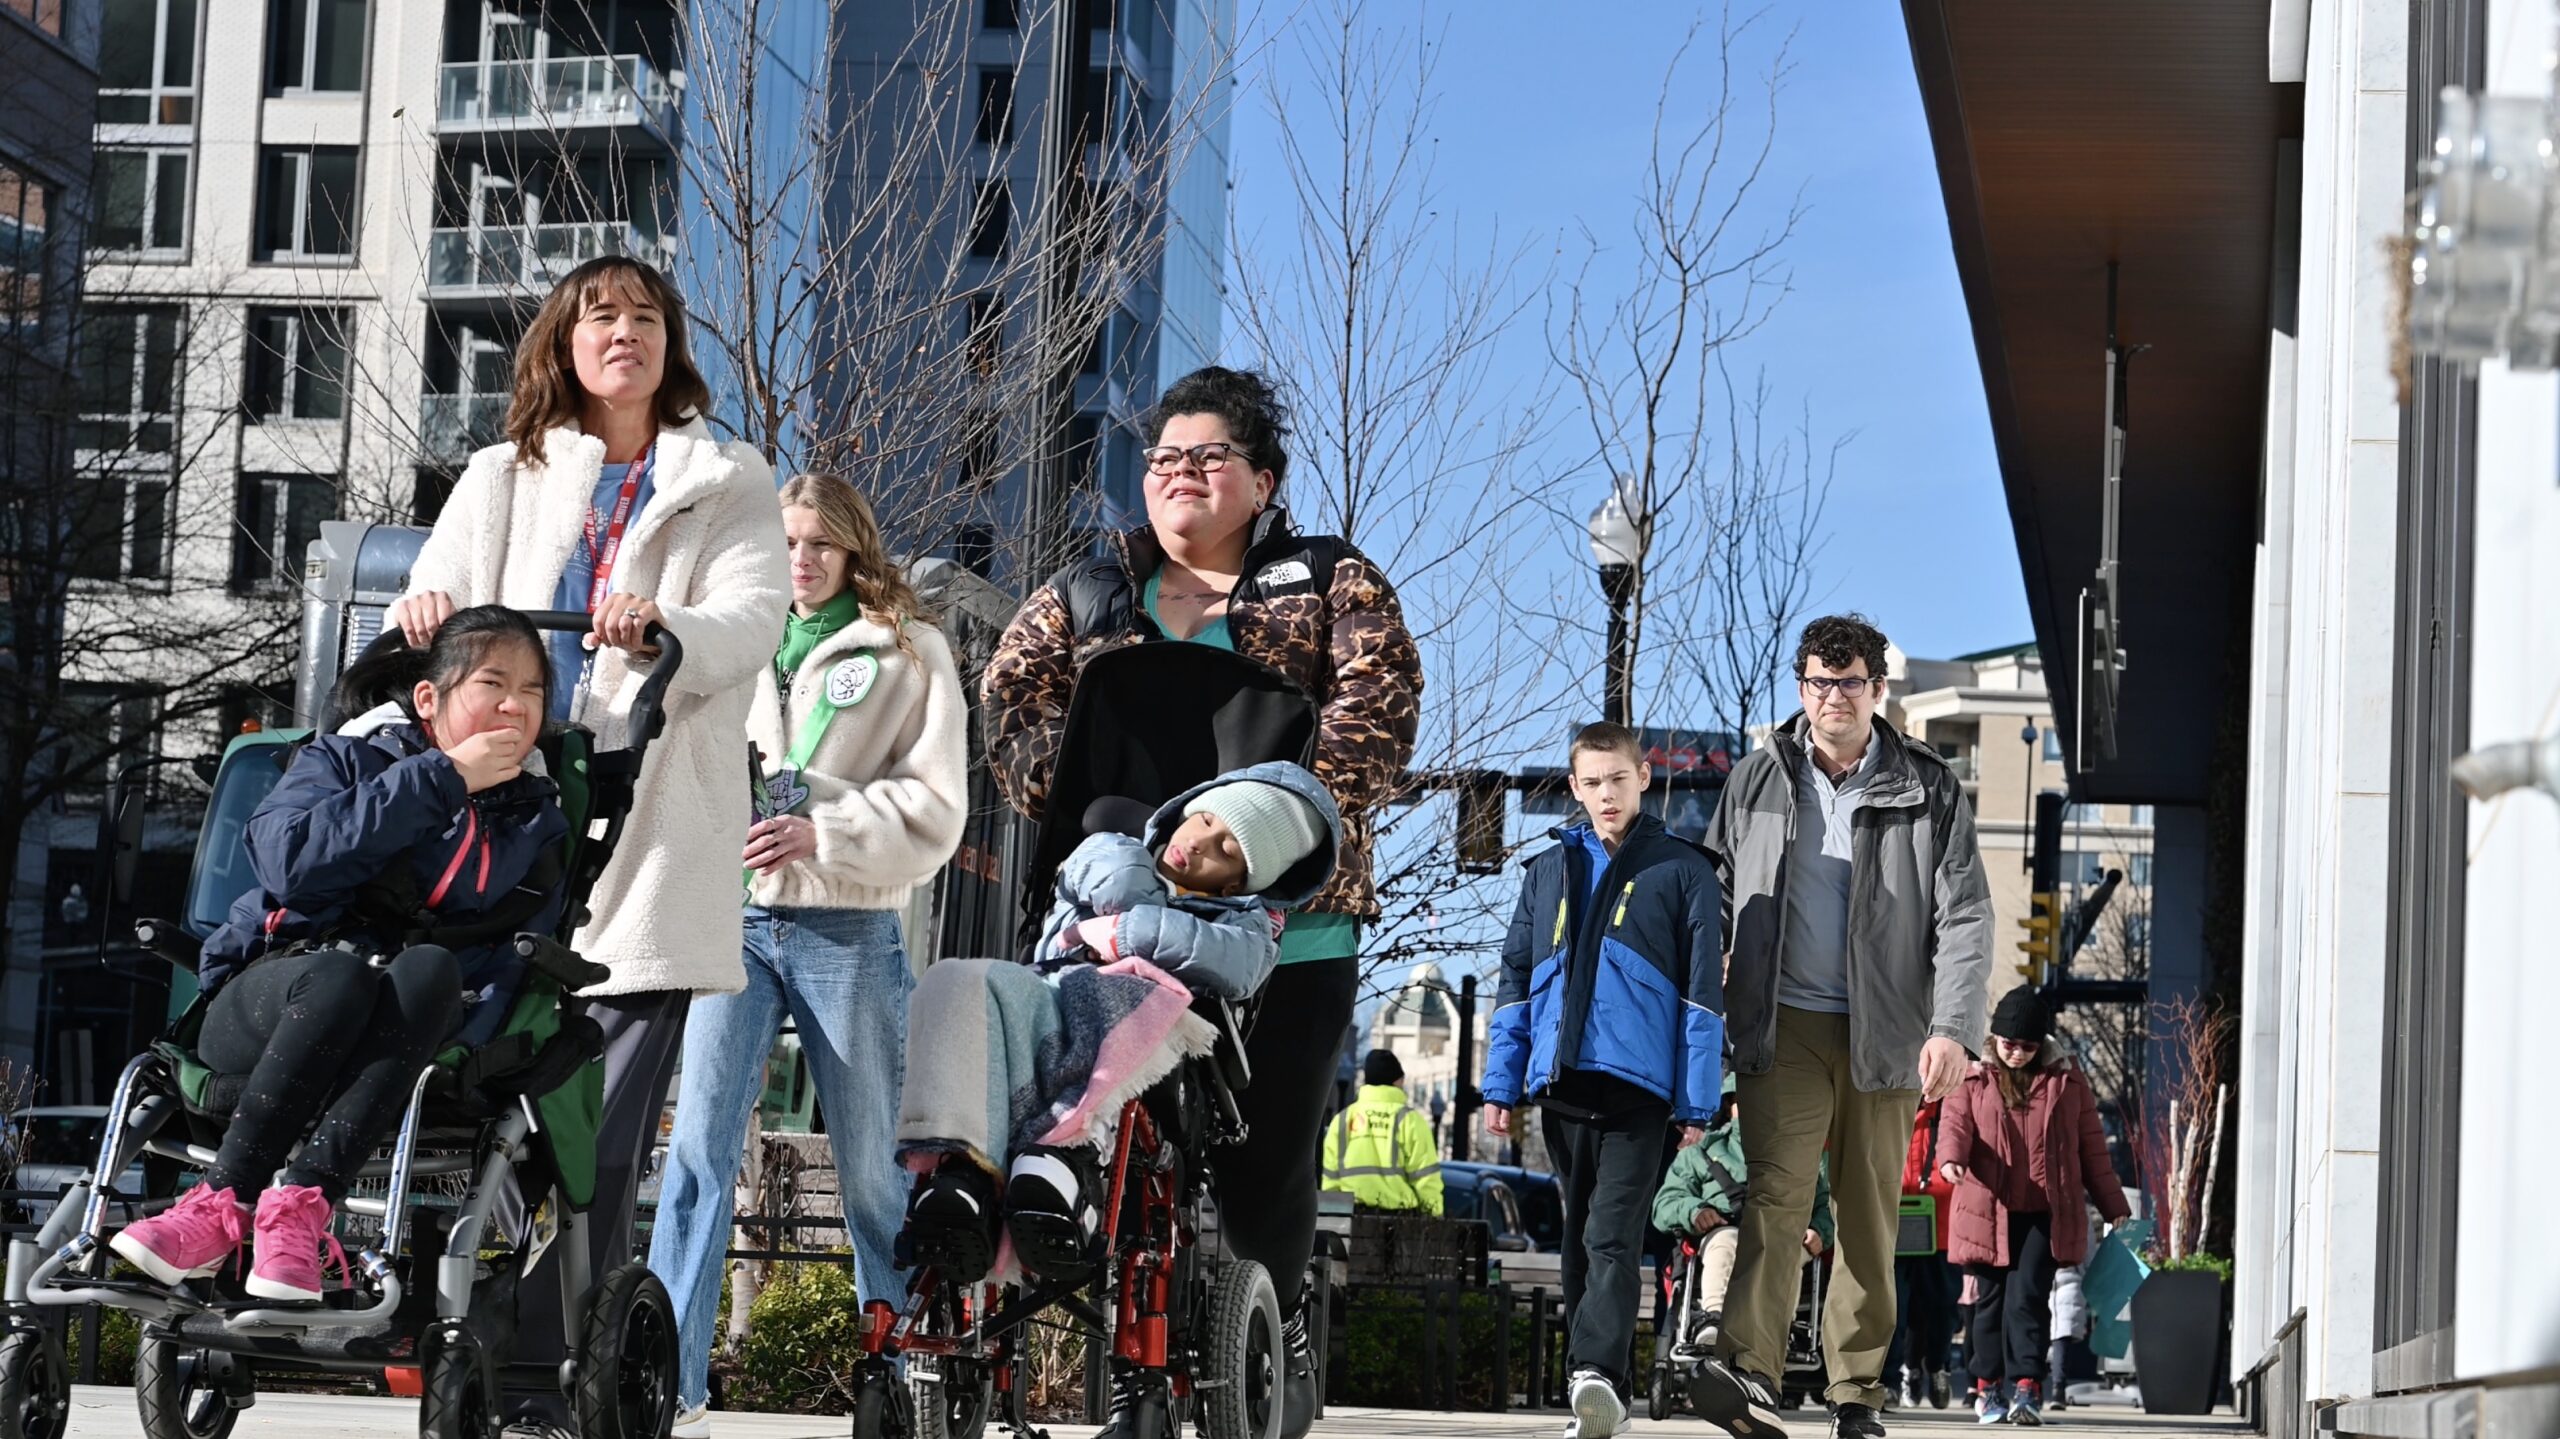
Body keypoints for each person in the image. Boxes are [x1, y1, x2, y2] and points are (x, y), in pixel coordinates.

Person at [386, 255, 788, 1432]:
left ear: (673, 342)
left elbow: (752, 614)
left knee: (594, 1124)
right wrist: (423, 612)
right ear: (564, 341)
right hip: (513, 817)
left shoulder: (728, 476)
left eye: (647, 316)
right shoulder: (503, 472)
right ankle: (480, 1338)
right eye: (601, 315)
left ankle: (554, 1369)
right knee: (489, 1102)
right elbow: (441, 591)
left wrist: (666, 622)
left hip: (652, 814)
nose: (625, 333)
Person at [982, 365, 1421, 1438]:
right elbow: (1007, 699)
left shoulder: (1328, 581)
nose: (1178, 473)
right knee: (1125, 1160)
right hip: (1116, 932)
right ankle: (1138, 1378)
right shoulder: (1089, 593)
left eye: (1207, 455)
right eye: (1163, 459)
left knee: (1263, 1169)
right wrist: (1093, 800)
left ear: (1262, 480)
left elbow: (1380, 704)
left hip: (1289, 933)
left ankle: (1268, 1349)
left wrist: (1260, 821)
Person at [110, 609, 566, 1303]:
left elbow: (510, 957)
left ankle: (299, 1208)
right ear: (428, 699)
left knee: (432, 969)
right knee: (341, 976)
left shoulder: (536, 823)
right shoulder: (348, 758)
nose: (514, 703)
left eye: (532, 690)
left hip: (393, 1038)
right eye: (493, 682)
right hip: (270, 996)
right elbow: (289, 863)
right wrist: (442, 778)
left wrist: (472, 1049)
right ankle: (218, 1205)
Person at [647, 474, 969, 1438]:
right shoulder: (731, 640)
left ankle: (908, 1372)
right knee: (697, 1152)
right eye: (786, 540)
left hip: (847, 927)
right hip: (729, 923)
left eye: (820, 542)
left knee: (873, 1168)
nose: (801, 558)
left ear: (854, 548)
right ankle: (668, 1385)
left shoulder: (911, 652)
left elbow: (937, 809)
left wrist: (819, 825)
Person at [1690, 614, 1994, 1439]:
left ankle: (1855, 1393)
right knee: (1775, 1200)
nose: (1834, 697)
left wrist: (1954, 1030)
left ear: (1877, 689)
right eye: (1820, 683)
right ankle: (1751, 1373)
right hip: (1781, 1025)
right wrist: (1705, 987)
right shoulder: (1754, 779)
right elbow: (1714, 896)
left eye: (1850, 682)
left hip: (1888, 1033)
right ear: (1802, 689)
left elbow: (1965, 915)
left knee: (1866, 1217)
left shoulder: (1928, 785)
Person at [898, 762, 1341, 1285]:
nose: (1201, 844)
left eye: (1227, 850)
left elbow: (1235, 966)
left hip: (1143, 1029)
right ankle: (959, 1172)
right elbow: (1104, 875)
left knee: (1112, 989)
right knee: (954, 980)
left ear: (1238, 884)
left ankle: (1062, 1162)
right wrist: (1140, 893)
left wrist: (1125, 933)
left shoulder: (1247, 925)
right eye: (1205, 822)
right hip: (1047, 999)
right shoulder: (1115, 850)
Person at [1480, 721, 1725, 1439]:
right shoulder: (1545, 871)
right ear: (1575, 786)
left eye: (1618, 777)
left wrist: (1697, 1101)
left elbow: (1701, 997)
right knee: (1580, 1241)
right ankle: (1594, 1382)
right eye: (1591, 781)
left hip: (1640, 1091)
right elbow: (1516, 984)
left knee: (1615, 1233)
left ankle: (1597, 1372)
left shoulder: (1685, 870)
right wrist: (1500, 1085)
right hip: (1563, 1086)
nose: (1606, 793)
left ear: (1643, 776)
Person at [1937, 989, 2131, 1426]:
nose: (2018, 1053)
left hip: (2045, 1211)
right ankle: (1988, 1388)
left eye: (2028, 1046)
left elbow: (2092, 1149)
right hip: (1988, 1206)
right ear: (1996, 1039)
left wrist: (2112, 1203)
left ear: (2041, 1043)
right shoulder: (1973, 1078)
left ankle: (2027, 1386)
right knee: (1989, 1303)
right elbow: (1955, 1124)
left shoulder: (2066, 1081)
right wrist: (1950, 1159)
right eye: (2010, 1044)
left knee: (2027, 1298)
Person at [1651, 1077, 1834, 1357]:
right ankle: (1714, 1321)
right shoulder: (1700, 1152)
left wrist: (1820, 1230)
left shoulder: (1803, 1155)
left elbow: (1827, 1204)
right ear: (1729, 1106)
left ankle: (1774, 1330)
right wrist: (1693, 1211)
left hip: (1784, 1235)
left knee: (1783, 1248)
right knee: (1727, 1241)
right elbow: (1665, 1203)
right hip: (1723, 1232)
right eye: (1744, 1100)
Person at [1883, 1097, 1959, 1410]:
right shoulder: (1884, 1104)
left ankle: (1938, 1365)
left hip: (1941, 1226)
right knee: (1892, 1309)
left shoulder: (1950, 1109)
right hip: (1893, 1223)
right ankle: (1887, 1380)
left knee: (1942, 1309)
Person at [1320, 1050, 1446, 1215]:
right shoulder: (1410, 1120)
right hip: (1399, 1223)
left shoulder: (1343, 1120)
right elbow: (1426, 1177)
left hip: (1349, 1220)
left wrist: (1333, 1214)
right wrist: (1434, 1216)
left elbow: (1330, 1179)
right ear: (1396, 1081)